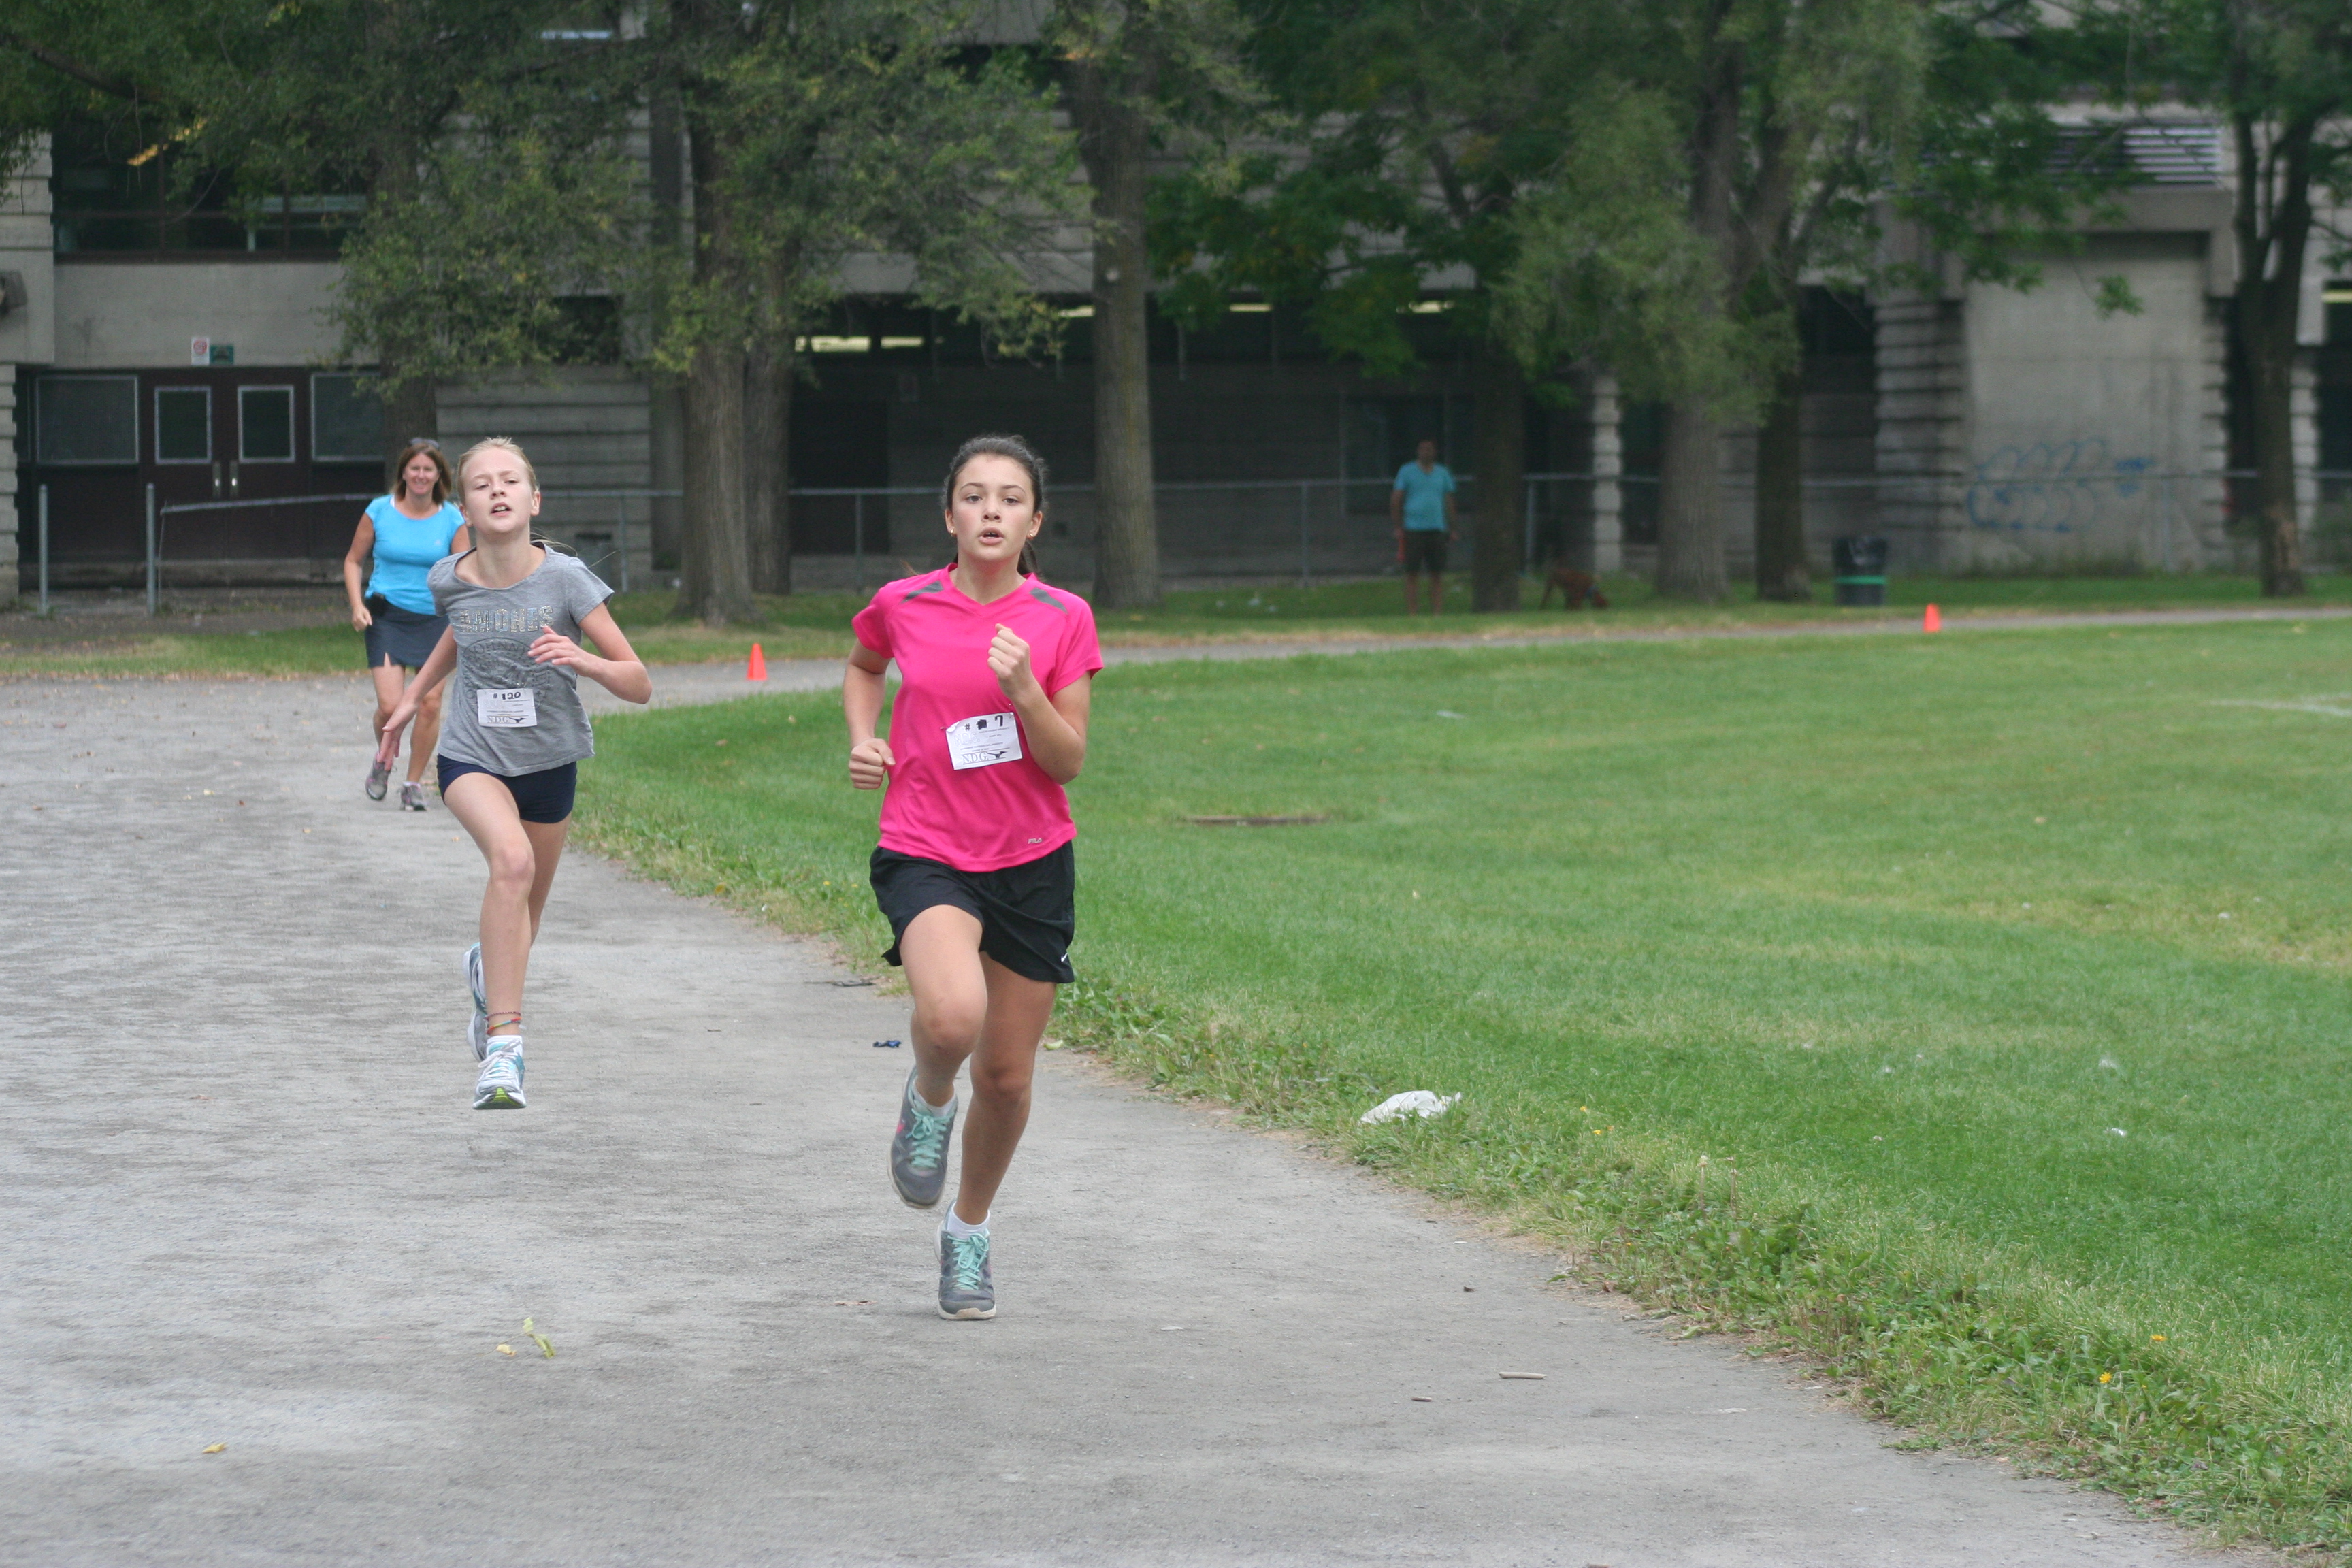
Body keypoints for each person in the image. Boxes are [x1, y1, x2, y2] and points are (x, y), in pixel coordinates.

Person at [844, 433, 1102, 1320]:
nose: (991, 511)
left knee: (1008, 1078)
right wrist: (863, 734)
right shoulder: (904, 601)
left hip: (1032, 861)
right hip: (925, 845)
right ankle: (925, 1098)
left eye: (1010, 498)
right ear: (949, 514)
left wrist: (1028, 693)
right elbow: (864, 663)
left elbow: (1067, 763)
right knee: (951, 1019)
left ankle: (969, 1231)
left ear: (1035, 520)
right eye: (975, 496)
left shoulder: (1063, 617)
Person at [374, 438, 651, 1110]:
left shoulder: (567, 580)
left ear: (534, 499)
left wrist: (584, 662)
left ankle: (483, 971)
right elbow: (459, 634)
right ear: (462, 504)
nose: (497, 491)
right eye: (481, 484)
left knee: (525, 917)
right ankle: (504, 1049)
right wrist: (412, 699)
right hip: (473, 756)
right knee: (511, 863)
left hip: (550, 762)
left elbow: (639, 682)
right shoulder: (449, 576)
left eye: (510, 481)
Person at [345, 438, 470, 809]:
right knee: (390, 706)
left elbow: (464, 570)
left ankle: (413, 783)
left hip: (434, 620)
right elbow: (353, 561)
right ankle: (383, 761)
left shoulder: (451, 517)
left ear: (438, 475)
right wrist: (356, 605)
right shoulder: (379, 511)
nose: (420, 475)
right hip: (387, 617)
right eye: (414, 468)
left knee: (430, 704)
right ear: (403, 472)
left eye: (427, 469)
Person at [1390, 437, 1457, 615]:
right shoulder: (1407, 471)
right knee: (1412, 573)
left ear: (1435, 452)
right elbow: (1397, 498)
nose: (1425, 452)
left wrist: (1453, 528)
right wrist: (1398, 526)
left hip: (1437, 529)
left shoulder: (1443, 473)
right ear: (1417, 451)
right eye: (1422, 449)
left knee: (1436, 574)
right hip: (1413, 530)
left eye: (1429, 449)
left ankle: (1437, 613)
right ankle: (1413, 613)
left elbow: (1449, 500)